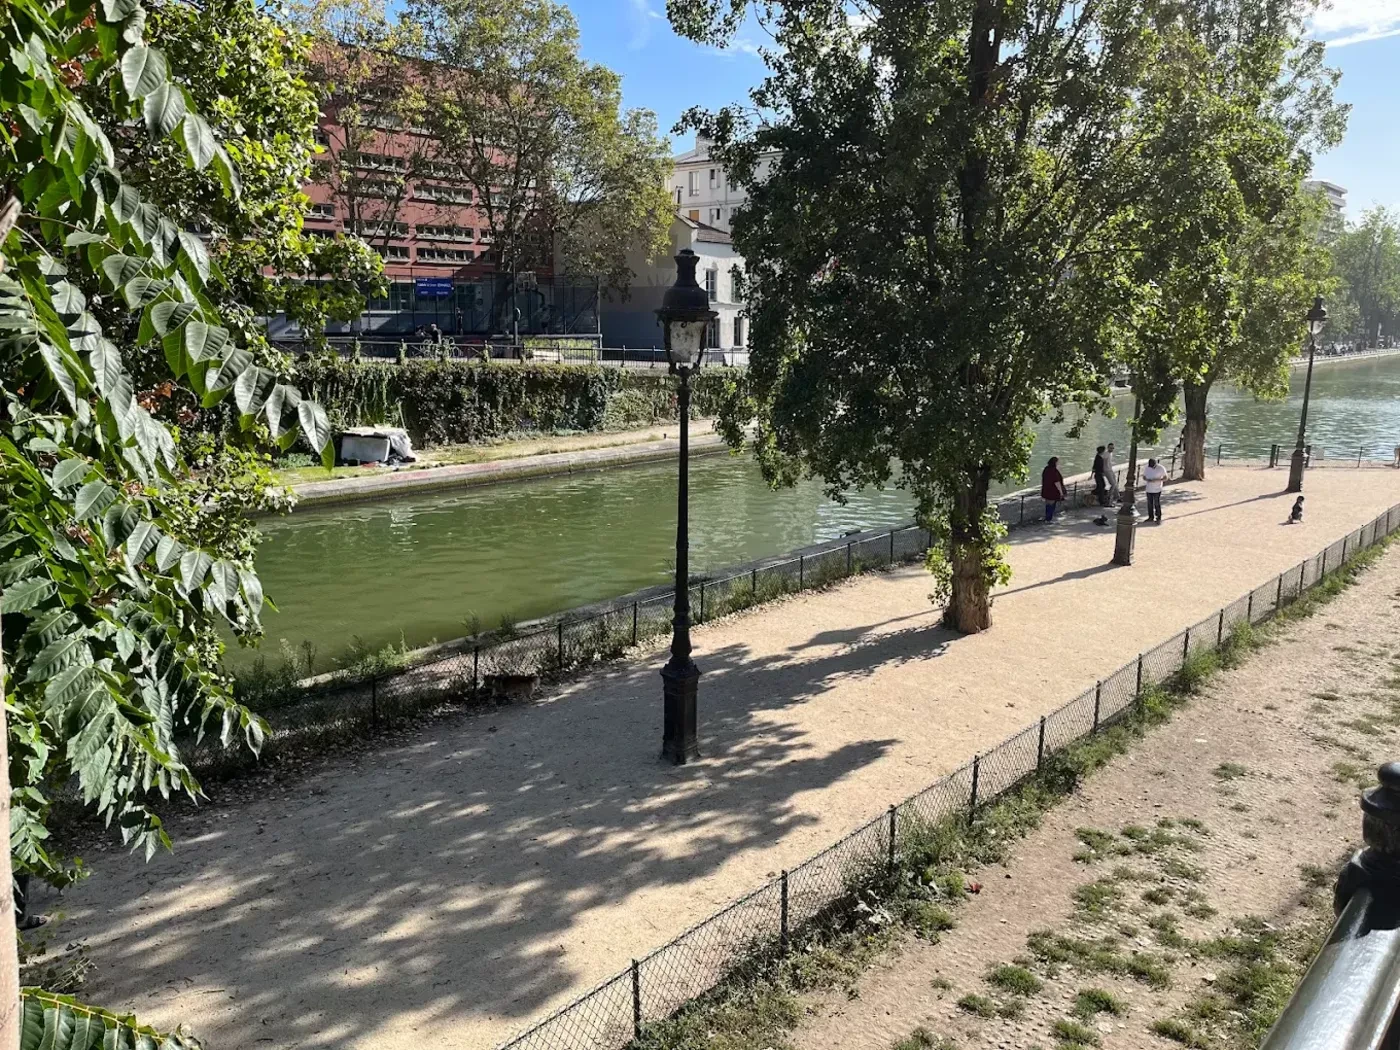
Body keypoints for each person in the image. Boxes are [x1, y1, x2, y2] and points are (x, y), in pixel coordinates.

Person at [1041, 457, 1066, 521]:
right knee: (1051, 506)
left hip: (1046, 490)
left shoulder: (1046, 469)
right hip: (1053, 491)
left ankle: (1047, 517)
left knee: (1048, 505)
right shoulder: (1054, 471)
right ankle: (1048, 519)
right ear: (1055, 463)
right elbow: (1057, 483)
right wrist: (1061, 492)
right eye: (1058, 462)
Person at [1142, 457, 1166, 522]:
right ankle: (1150, 517)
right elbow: (1144, 477)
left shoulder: (1161, 468)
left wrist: (1157, 480)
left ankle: (1158, 517)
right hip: (1149, 488)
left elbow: (1165, 477)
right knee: (1149, 504)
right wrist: (1147, 479)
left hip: (1157, 489)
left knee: (1156, 503)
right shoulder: (1147, 468)